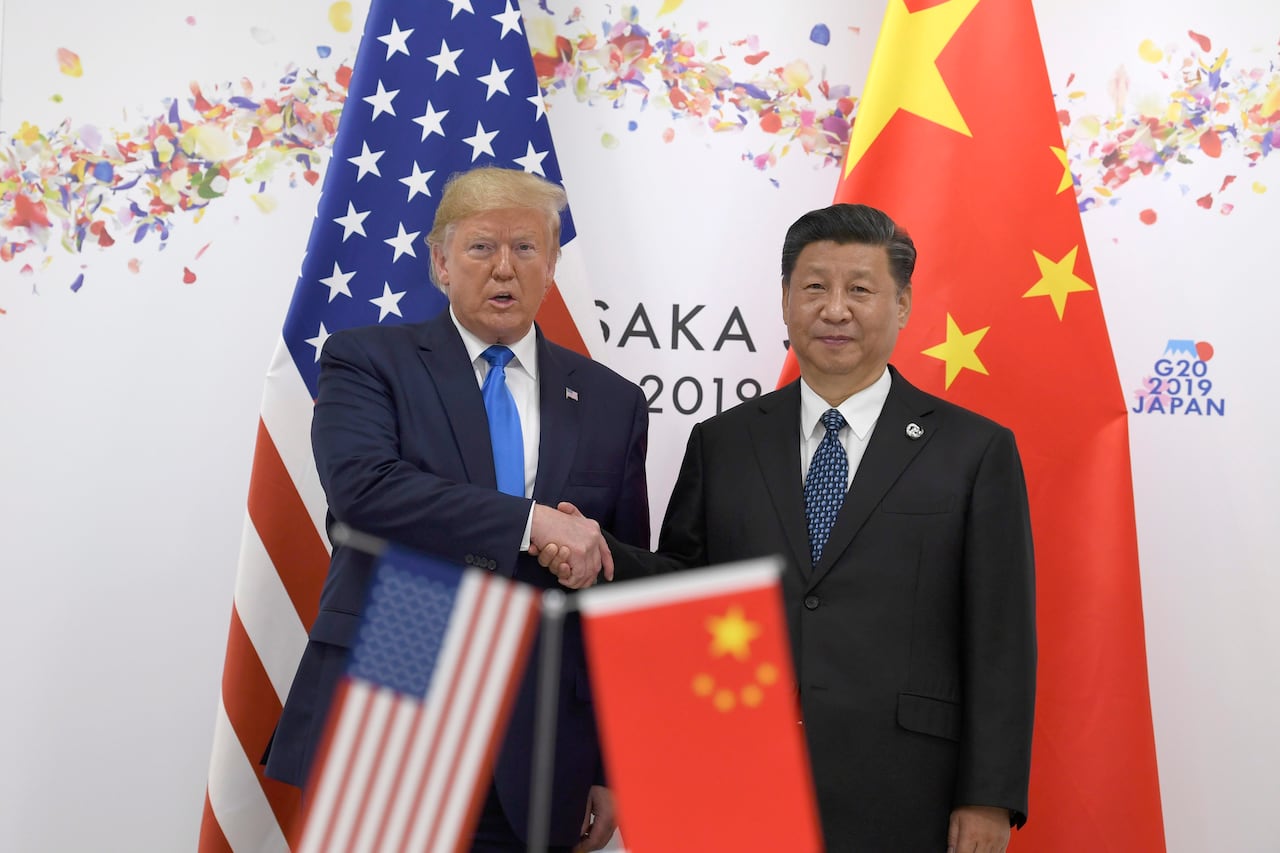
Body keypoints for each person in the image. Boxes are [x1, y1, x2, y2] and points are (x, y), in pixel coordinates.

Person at [538, 203, 1035, 852]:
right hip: (741, 773)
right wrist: (604, 554)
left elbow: (1000, 636)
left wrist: (988, 793)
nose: (835, 309)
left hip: (907, 786)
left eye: (860, 288)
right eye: (814, 287)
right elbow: (687, 586)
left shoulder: (973, 450)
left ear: (904, 303)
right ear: (784, 299)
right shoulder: (725, 441)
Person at [264, 166, 651, 853]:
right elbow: (364, 490)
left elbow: (614, 595)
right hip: (393, 700)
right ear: (440, 262)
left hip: (539, 743)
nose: (505, 267)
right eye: (480, 248)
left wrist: (606, 761)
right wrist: (536, 525)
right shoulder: (368, 361)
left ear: (553, 262)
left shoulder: (611, 400)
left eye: (527, 248)